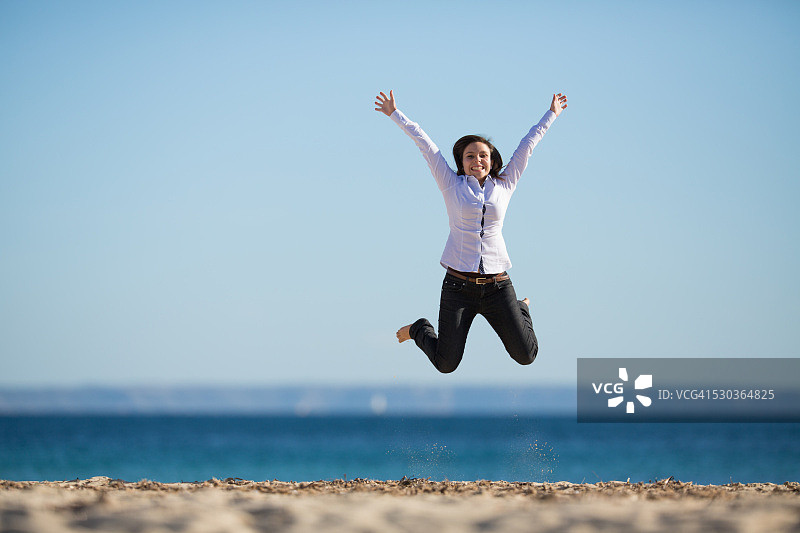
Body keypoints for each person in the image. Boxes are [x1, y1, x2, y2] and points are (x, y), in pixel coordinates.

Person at [374, 90, 567, 373]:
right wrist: (395, 114)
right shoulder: (450, 184)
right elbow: (425, 144)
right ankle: (419, 329)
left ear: (492, 160)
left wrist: (551, 114)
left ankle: (521, 308)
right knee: (446, 364)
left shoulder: (505, 184)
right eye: (470, 156)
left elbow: (528, 145)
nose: (477, 160)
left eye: (483, 155)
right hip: (458, 287)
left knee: (527, 355)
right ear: (461, 162)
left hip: (498, 286)